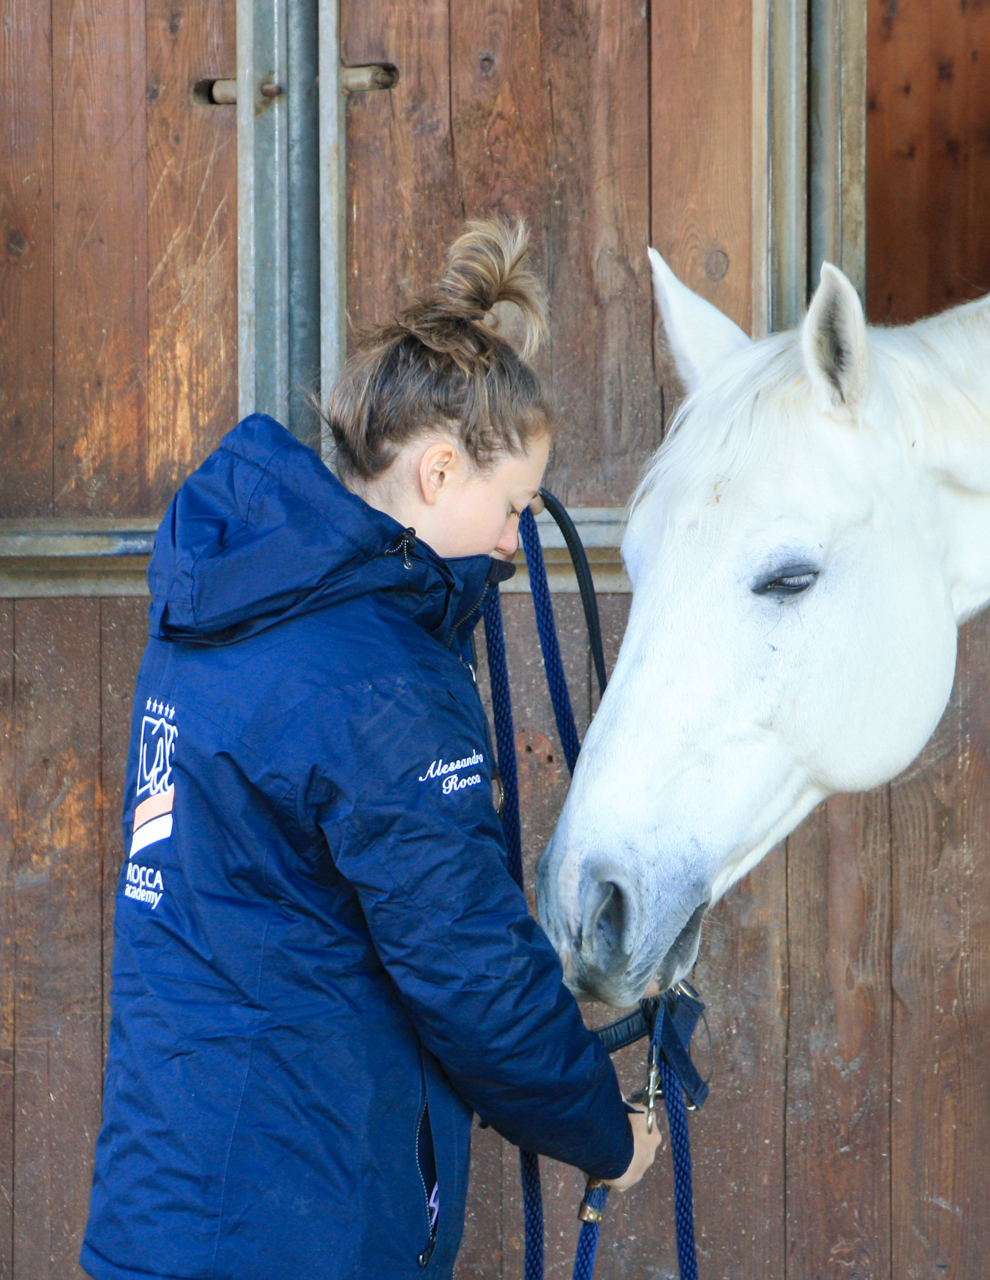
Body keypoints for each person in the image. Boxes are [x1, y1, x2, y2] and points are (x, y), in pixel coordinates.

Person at [80, 220, 660, 1280]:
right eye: (513, 507)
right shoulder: (380, 681)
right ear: (440, 471)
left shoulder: (225, 605)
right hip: (297, 1229)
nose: (512, 542)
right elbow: (472, 972)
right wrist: (605, 1134)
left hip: (162, 1206)